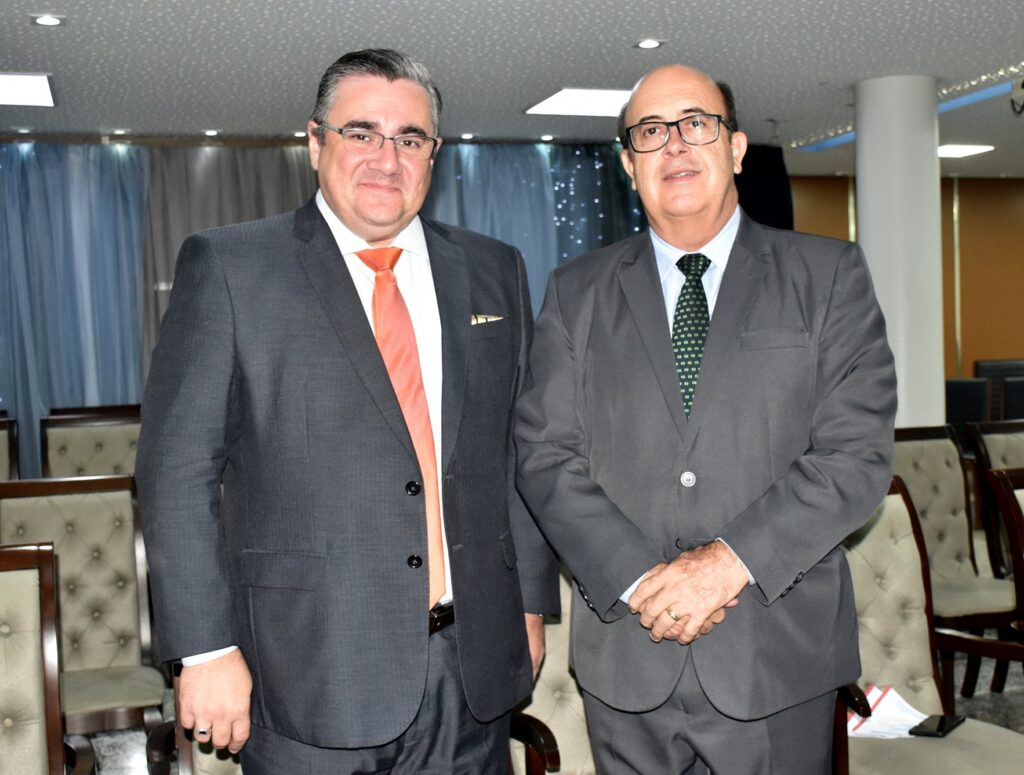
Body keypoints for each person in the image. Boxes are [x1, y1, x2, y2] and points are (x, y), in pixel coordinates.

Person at [136, 48, 558, 774]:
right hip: (306, 672)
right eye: (361, 133)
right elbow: (176, 470)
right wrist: (203, 648)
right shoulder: (231, 267)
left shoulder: (494, 268)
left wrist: (528, 602)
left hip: (471, 671)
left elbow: (517, 453)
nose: (386, 159)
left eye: (409, 139)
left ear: (433, 153)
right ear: (314, 141)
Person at [514, 63, 897, 774]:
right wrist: (640, 580)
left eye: (696, 124)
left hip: (778, 659)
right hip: (628, 655)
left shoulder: (829, 276)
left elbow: (855, 456)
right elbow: (545, 457)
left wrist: (724, 565)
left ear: (737, 148)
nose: (675, 145)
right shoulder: (575, 293)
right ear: (628, 165)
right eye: (650, 132)